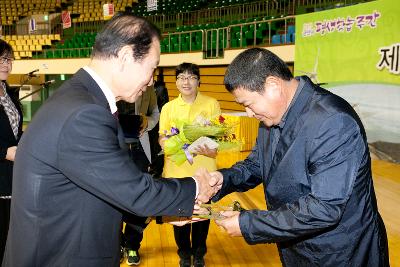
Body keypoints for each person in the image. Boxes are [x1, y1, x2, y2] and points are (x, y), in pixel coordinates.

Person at [2, 14, 217, 267]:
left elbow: (105, 185)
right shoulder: (84, 113)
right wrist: (193, 187)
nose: (151, 81)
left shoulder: (82, 99)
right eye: (152, 68)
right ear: (126, 57)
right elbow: (132, 189)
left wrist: (168, 211)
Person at [208, 47, 389, 266]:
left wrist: (249, 223)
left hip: (340, 252)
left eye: (247, 104)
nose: (249, 113)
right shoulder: (271, 116)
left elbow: (324, 208)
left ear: (273, 85)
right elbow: (257, 165)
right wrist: (222, 180)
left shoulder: (332, 121)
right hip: (296, 245)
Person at [159, 63, 220, 267]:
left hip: (204, 171)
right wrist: (169, 146)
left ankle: (200, 253)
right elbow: (162, 138)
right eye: (182, 77)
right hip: (177, 172)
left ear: (198, 80)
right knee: (179, 217)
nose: (186, 81)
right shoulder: (168, 108)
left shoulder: (212, 104)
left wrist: (202, 147)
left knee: (202, 217)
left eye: (191, 77)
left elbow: (217, 139)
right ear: (176, 82)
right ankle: (184, 254)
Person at [117, 85, 160, 265]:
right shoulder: (112, 86)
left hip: (139, 149)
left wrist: (146, 122)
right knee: (114, 201)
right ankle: (117, 244)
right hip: (114, 150)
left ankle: (132, 244)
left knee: (140, 200)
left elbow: (155, 113)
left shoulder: (148, 89)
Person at [0, 40, 23, 264]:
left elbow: (15, 133)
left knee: (11, 240)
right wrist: (3, 152)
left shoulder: (8, 94)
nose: (7, 64)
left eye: (9, 59)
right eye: (2, 59)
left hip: (13, 177)